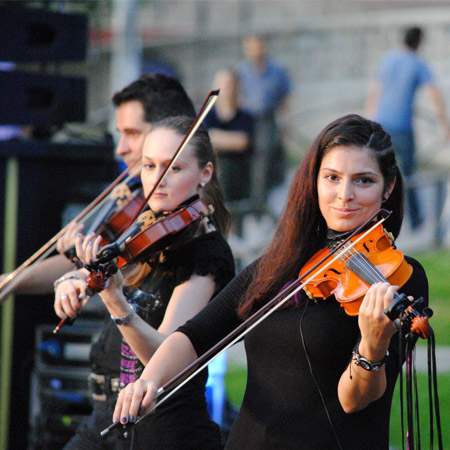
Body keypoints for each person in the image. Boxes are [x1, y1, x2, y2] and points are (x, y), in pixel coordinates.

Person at [113, 114, 429, 449]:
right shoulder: (281, 264)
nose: (344, 194)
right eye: (332, 177)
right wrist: (148, 380)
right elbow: (196, 335)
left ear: (389, 186)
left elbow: (355, 400)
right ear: (314, 182)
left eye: (363, 180)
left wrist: (372, 344)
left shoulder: (399, 278)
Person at [54, 116, 235, 449]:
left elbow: (164, 357)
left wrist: (115, 301)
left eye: (173, 169)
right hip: (105, 417)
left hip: (160, 428)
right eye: (149, 166)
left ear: (204, 174)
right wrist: (70, 278)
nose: (156, 180)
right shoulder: (149, 229)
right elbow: (94, 269)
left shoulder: (207, 255)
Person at [0, 73, 196, 296]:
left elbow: (124, 269)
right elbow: (94, 263)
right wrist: (8, 282)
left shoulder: (185, 216)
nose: (120, 149)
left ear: (168, 134)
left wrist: (80, 265)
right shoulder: (139, 199)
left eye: (132, 134)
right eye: (120, 135)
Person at [365, 26, 450, 229]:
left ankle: (381, 219)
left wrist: (368, 120)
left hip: (381, 125)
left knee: (382, 173)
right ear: (419, 42)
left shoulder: (388, 60)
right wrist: (444, 124)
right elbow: (433, 94)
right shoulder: (418, 63)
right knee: (408, 174)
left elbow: (375, 91)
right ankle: (415, 219)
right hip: (402, 127)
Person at [237, 34, 291, 207]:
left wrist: (285, 123)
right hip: (245, 119)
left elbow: (284, 100)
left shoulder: (277, 70)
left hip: (267, 119)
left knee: (265, 157)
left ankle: (261, 201)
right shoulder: (241, 71)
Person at [204, 68, 253, 203]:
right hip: (212, 181)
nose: (226, 89)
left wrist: (215, 136)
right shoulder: (207, 116)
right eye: (222, 84)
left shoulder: (245, 117)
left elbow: (242, 142)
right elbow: (204, 140)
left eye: (229, 84)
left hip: (238, 179)